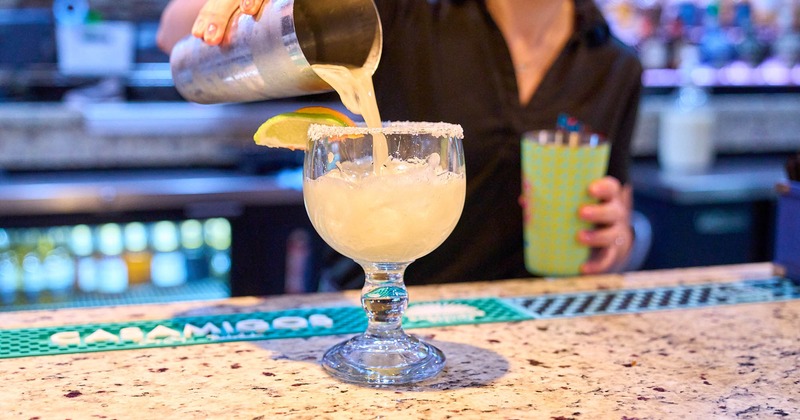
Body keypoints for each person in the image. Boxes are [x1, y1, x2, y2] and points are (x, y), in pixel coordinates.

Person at [157, 0, 644, 288]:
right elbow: (172, 32)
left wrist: (616, 240)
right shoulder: (409, 12)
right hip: (360, 317)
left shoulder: (615, 66)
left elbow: (618, 215)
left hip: (517, 325)